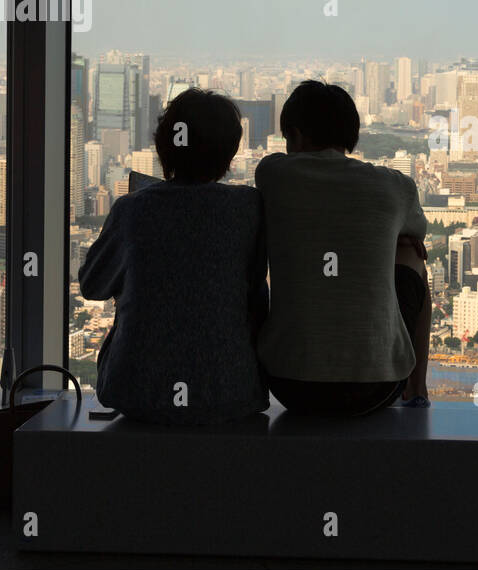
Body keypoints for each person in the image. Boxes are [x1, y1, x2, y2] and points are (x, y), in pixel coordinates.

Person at [79, 88, 269, 424]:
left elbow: (92, 285)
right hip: (232, 392)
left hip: (136, 392)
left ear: (163, 147)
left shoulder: (133, 209)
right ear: (230, 154)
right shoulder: (248, 209)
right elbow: (256, 298)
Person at [254, 80, 430, 416]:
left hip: (290, 384)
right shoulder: (394, 187)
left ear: (296, 134)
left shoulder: (273, 174)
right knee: (413, 255)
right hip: (376, 388)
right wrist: (391, 233)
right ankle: (417, 389)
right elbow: (417, 231)